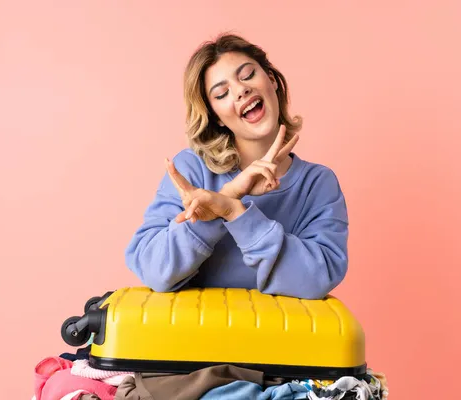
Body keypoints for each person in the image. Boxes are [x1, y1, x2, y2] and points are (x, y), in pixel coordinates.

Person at [125, 33, 349, 300]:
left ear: (272, 80)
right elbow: (153, 269)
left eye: (247, 75)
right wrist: (227, 198)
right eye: (221, 93)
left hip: (281, 340)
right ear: (216, 117)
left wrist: (236, 212)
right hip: (192, 339)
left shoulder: (317, 184)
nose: (240, 90)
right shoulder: (192, 170)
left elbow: (317, 279)